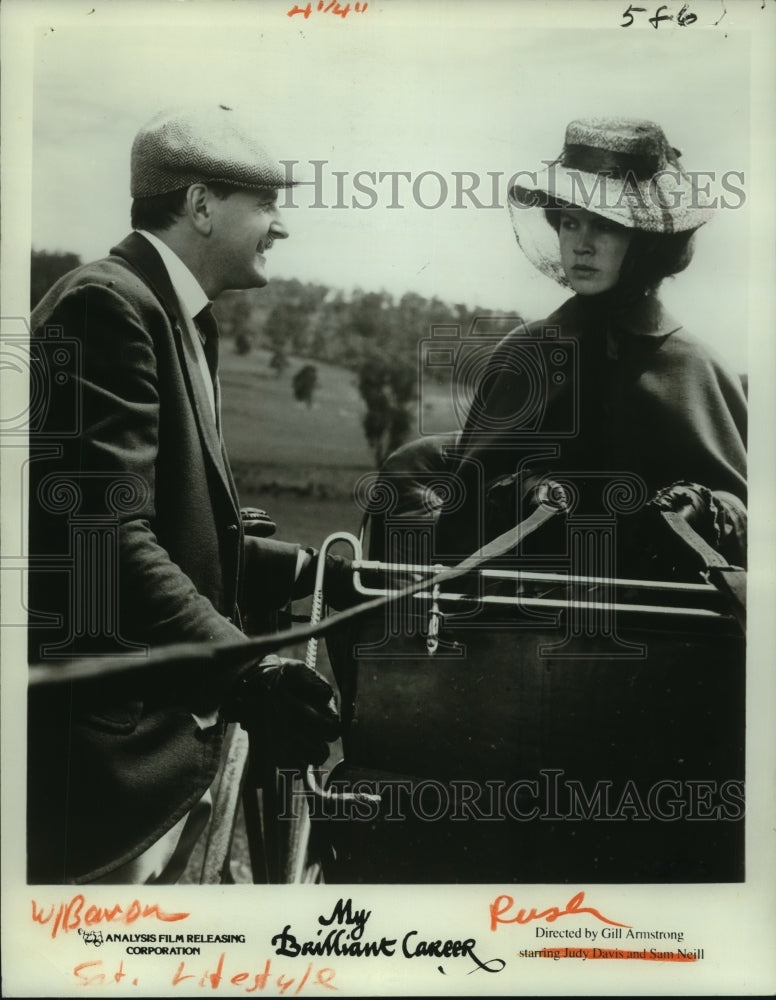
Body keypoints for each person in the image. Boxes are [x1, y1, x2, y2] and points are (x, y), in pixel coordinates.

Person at [27, 105, 346, 884]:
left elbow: (185, 528)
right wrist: (247, 675)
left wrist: (312, 572)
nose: (281, 228)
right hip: (107, 758)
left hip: (154, 745)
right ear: (201, 205)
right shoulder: (107, 305)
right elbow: (105, 536)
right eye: (266, 205)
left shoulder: (172, 316)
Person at [436, 117, 747, 574]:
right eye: (569, 223)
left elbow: (750, 529)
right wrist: (525, 496)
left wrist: (705, 510)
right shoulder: (526, 353)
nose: (581, 245)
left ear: (645, 243)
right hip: (518, 625)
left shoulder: (697, 369)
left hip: (667, 628)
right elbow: (459, 521)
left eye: (605, 226)